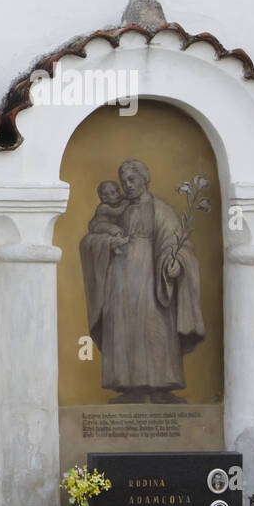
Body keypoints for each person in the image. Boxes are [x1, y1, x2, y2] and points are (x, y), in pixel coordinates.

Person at [80, 159, 204, 403]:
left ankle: (161, 387)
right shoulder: (118, 209)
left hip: (151, 276)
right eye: (124, 181)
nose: (127, 185)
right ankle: (130, 387)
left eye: (132, 180)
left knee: (154, 326)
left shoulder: (162, 210)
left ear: (145, 179)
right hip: (120, 277)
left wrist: (176, 261)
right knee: (123, 325)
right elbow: (91, 236)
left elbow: (177, 243)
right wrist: (107, 243)